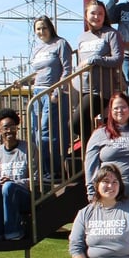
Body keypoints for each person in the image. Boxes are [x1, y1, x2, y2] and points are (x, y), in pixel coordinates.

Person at [85, 93, 129, 206]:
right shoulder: (100, 133)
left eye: (124, 107)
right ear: (110, 111)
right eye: (116, 108)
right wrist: (91, 193)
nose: (120, 110)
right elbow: (90, 165)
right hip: (109, 196)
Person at [28, 15, 72, 178]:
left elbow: (67, 70)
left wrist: (57, 91)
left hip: (52, 92)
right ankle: (41, 170)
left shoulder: (61, 44)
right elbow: (38, 72)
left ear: (51, 28)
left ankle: (53, 170)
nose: (41, 31)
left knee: (47, 132)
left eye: (44, 27)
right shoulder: (37, 48)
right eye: (38, 29)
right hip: (37, 93)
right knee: (36, 133)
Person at [0, 109, 30, 242]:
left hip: (25, 194)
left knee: (8, 186)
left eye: (12, 127)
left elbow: (35, 178)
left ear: (16, 128)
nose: (9, 131)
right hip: (5, 194)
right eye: (5, 127)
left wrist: (13, 182)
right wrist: (2, 182)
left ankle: (13, 231)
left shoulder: (28, 148)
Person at [78, 0, 124, 113]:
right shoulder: (82, 37)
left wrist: (94, 59)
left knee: (76, 123)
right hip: (81, 86)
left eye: (100, 14)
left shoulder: (111, 34)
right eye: (93, 13)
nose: (96, 17)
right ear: (86, 15)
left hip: (100, 90)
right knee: (82, 125)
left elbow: (117, 59)